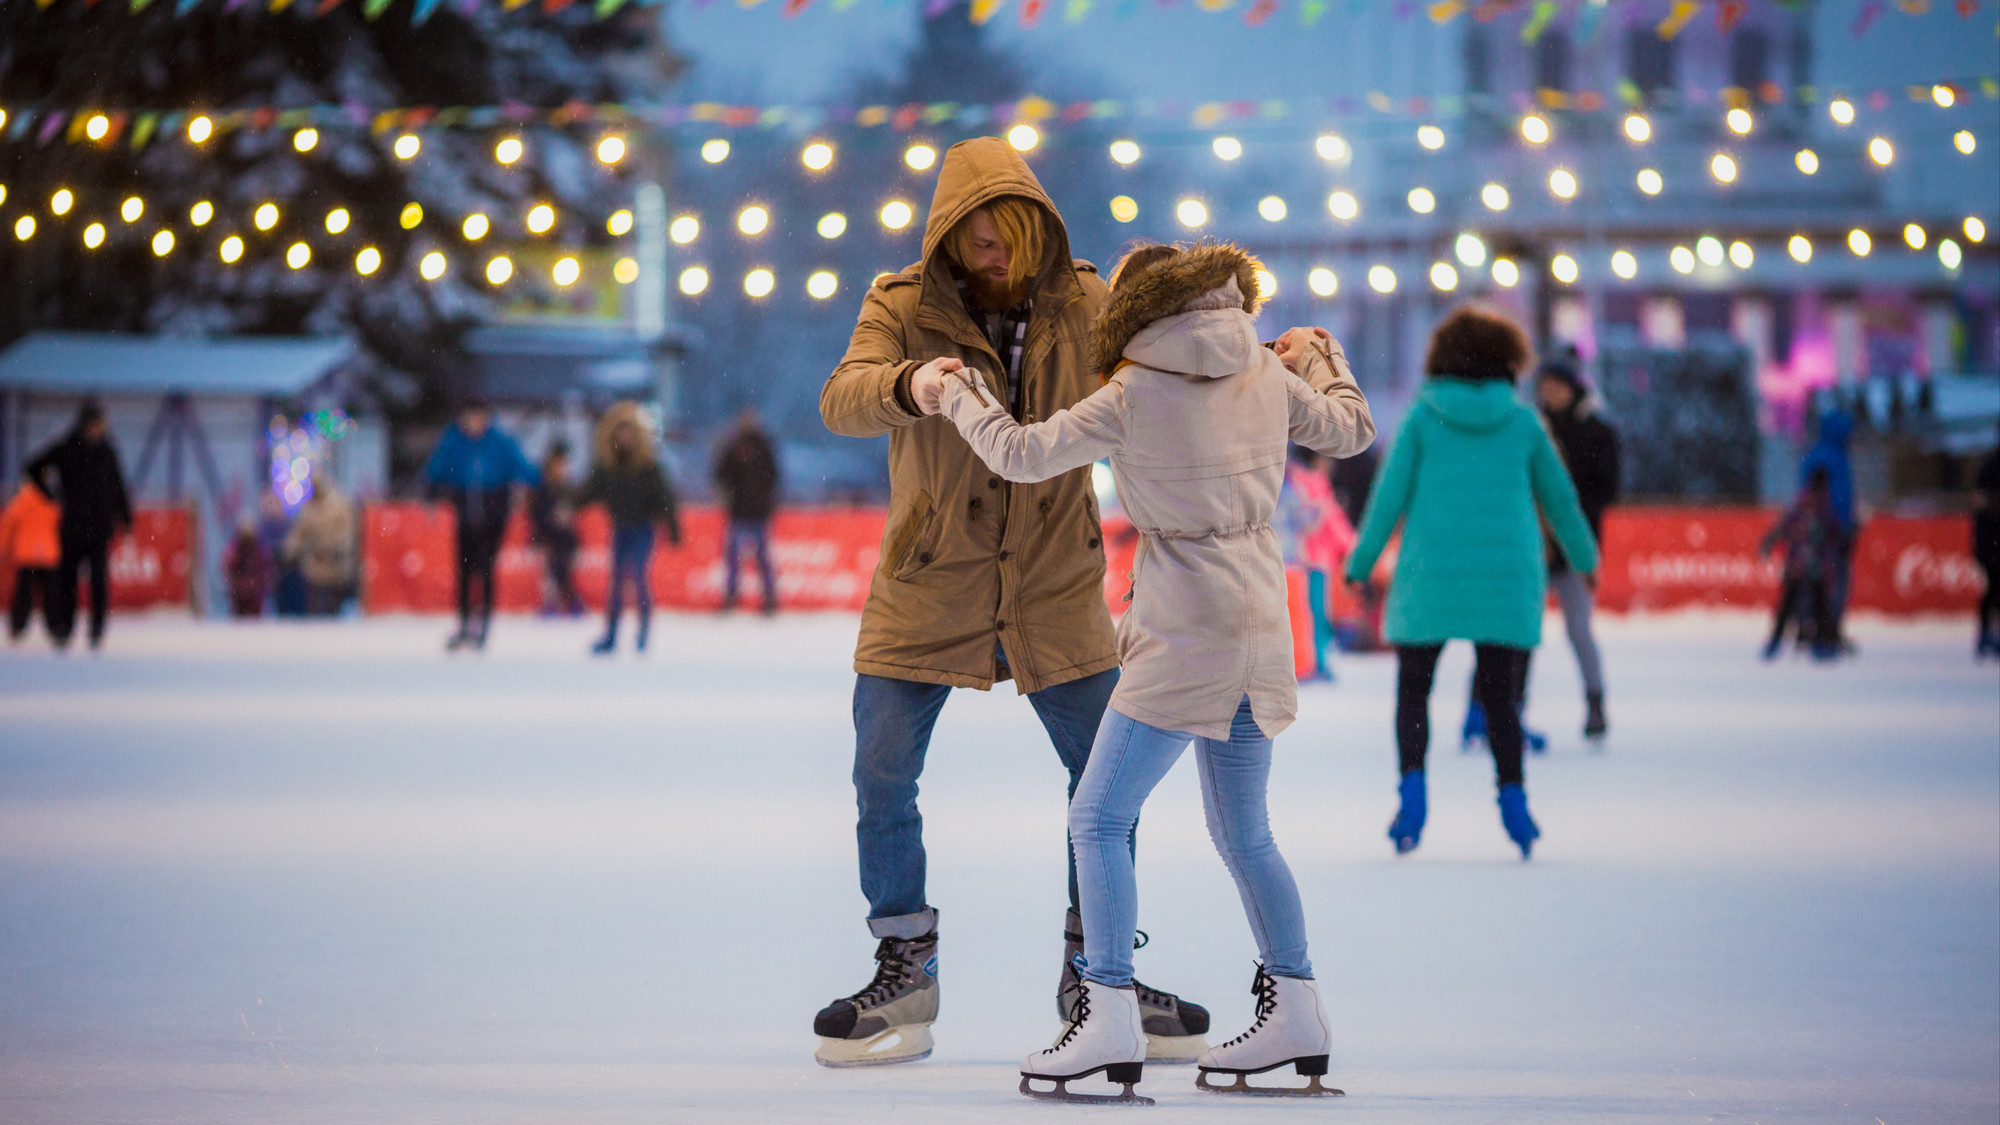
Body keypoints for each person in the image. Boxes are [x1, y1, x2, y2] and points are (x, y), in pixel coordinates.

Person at [817, 137, 1346, 1070]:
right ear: (945, 234)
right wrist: (915, 382)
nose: (993, 248)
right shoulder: (900, 305)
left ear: (1034, 226)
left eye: (1007, 229)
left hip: (1056, 578)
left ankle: (1092, 972)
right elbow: (844, 397)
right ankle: (906, 962)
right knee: (881, 773)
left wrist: (1260, 357)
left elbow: (1178, 357)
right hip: (928, 573)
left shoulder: (1085, 301)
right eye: (973, 233)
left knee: (1103, 789)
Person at [929, 242, 1374, 1102]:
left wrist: (960, 394)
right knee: (1245, 831)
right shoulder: (1263, 371)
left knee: (1097, 817)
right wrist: (1319, 354)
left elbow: (1020, 455)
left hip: (1181, 628)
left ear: (1130, 311)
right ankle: (1299, 1005)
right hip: (1256, 617)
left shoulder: (1134, 387)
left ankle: (1107, 1013)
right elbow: (1350, 428)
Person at [1344, 305, 1599, 861]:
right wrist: (1584, 557)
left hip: (1430, 574)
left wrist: (1360, 564)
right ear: (1509, 363)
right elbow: (1561, 500)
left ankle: (1411, 795)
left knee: (1414, 689)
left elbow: (1387, 499)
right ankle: (1514, 801)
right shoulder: (1525, 421)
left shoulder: (1420, 418)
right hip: (1504, 577)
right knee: (1501, 697)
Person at [1526, 352, 1620, 739]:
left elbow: (1607, 489)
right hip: (1533, 545)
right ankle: (1510, 705)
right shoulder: (1531, 429)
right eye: (1544, 388)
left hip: (1573, 548)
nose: (1550, 395)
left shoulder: (1595, 431)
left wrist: (1571, 517)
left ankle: (1595, 701)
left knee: (1579, 630)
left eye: (1556, 388)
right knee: (1522, 631)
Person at [423, 398, 538, 651]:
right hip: (464, 510)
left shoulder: (499, 442)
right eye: (469, 418)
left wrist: (538, 487)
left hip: (494, 511)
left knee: (485, 567)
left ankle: (483, 623)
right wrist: (432, 492)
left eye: (478, 418)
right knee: (464, 569)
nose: (474, 423)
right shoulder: (454, 441)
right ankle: (464, 623)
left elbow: (524, 469)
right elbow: (436, 469)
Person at [25, 400, 132, 651]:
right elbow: (33, 467)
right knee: (68, 580)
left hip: (98, 527)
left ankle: (96, 629)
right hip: (72, 526)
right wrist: (49, 494)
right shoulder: (66, 448)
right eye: (99, 424)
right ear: (88, 424)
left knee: (98, 581)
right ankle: (65, 627)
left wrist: (124, 515)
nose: (102, 429)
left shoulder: (106, 451)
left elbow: (118, 485)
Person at [578, 402, 680, 655]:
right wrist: (567, 503)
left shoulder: (648, 467)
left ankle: (643, 631)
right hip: (621, 528)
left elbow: (665, 499)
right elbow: (587, 492)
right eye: (621, 434)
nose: (625, 439)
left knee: (637, 575)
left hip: (643, 528)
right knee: (616, 581)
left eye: (629, 434)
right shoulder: (609, 467)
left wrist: (672, 528)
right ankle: (611, 634)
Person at [1280, 449, 1354, 682]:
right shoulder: (1314, 482)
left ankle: (1303, 663)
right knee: (1315, 615)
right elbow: (1330, 520)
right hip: (1313, 560)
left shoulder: (1293, 481)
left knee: (1302, 615)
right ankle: (1316, 663)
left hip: (1298, 559)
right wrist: (1351, 546)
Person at [1760, 467, 1846, 662]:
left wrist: (1769, 542)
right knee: (1812, 606)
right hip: (1811, 567)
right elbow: (1835, 535)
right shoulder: (1824, 508)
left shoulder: (1804, 505)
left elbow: (1783, 528)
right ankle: (1819, 643)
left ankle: (1780, 643)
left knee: (1795, 606)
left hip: (1801, 566)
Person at [1798, 407, 1858, 650]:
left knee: (1823, 580)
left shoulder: (1822, 455)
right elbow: (1818, 498)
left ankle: (1819, 628)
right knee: (1830, 581)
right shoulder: (1830, 458)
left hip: (1830, 530)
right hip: (1829, 531)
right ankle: (1824, 629)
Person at [712, 407, 781, 615]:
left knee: (759, 559)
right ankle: (734, 596)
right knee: (737, 559)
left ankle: (767, 598)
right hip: (740, 512)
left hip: (755, 511)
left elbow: (773, 477)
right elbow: (721, 474)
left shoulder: (762, 446)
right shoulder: (734, 446)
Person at [283, 479, 358, 616]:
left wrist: (339, 547)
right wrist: (290, 550)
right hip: (314, 563)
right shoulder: (309, 509)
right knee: (314, 603)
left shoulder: (337, 506)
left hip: (333, 563)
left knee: (333, 602)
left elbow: (346, 530)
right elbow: (299, 533)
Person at [1, 479, 62, 643]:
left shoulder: (22, 499)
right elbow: (60, 524)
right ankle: (55, 627)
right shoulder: (51, 499)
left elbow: (7, 522)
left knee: (23, 594)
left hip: (26, 555)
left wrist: (3, 546)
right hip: (48, 554)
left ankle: (17, 626)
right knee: (51, 595)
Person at [530, 441, 584, 617]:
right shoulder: (542, 487)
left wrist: (566, 516)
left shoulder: (568, 487)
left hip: (565, 537)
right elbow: (536, 513)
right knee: (550, 572)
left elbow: (575, 509)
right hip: (548, 536)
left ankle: (571, 602)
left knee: (564, 570)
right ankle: (553, 603)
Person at [1975, 440, 2000, 659]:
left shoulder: (1988, 465)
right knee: (1993, 588)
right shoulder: (1991, 465)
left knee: (1991, 589)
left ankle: (1986, 635)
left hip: (1987, 542)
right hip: (1990, 542)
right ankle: (1987, 636)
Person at [224, 522, 273, 618]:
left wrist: (260, 585)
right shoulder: (235, 549)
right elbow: (228, 567)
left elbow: (266, 570)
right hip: (240, 594)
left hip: (255, 594)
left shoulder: (259, 549)